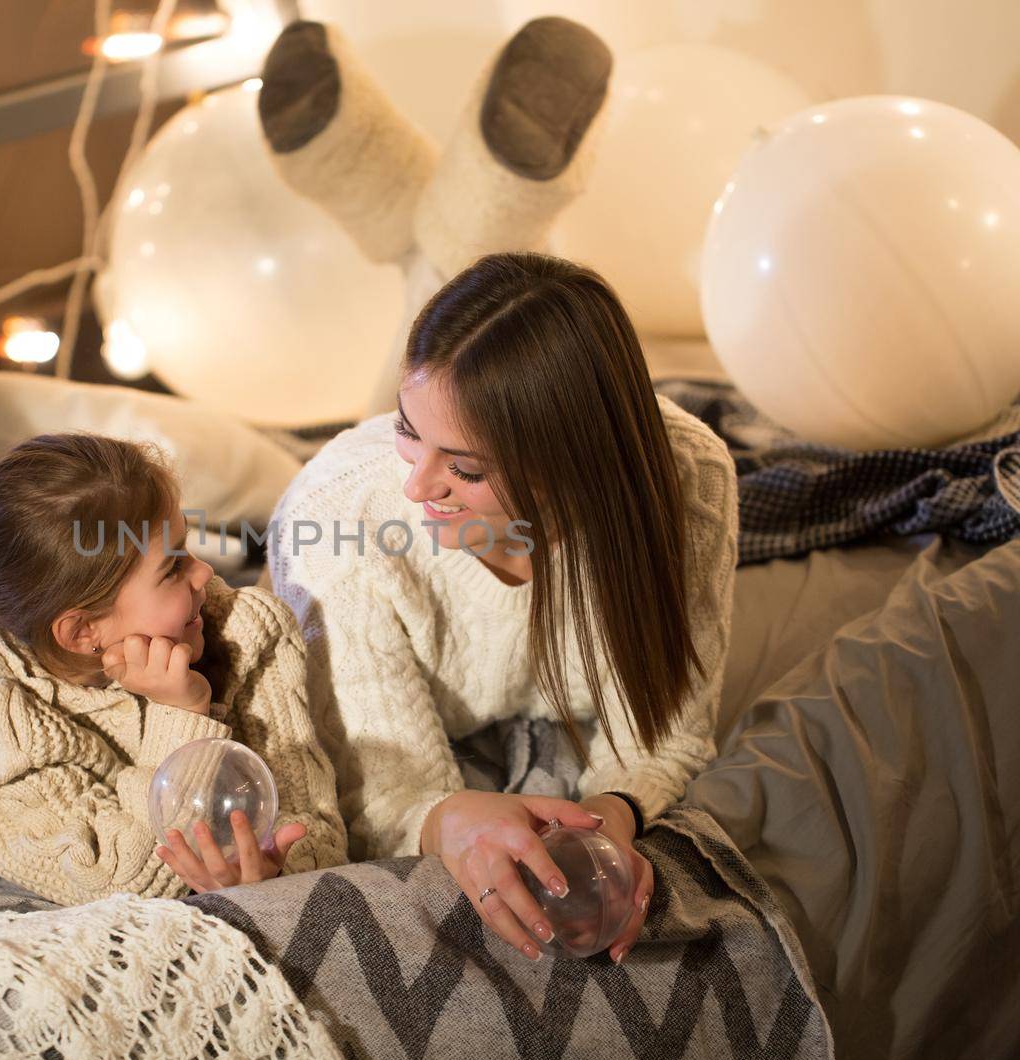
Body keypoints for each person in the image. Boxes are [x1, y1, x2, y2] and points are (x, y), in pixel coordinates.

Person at [270, 251, 739, 962]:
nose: (420, 485)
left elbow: (665, 727)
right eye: (406, 428)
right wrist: (450, 820)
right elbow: (385, 787)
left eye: (465, 467)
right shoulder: (338, 523)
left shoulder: (688, 478)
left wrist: (610, 815)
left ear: (569, 466)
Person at [0, 433, 346, 905]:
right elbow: (111, 879)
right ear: (84, 631)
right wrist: (183, 715)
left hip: (35, 622)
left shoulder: (249, 631)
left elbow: (317, 826)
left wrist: (270, 869)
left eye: (186, 545)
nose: (204, 573)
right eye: (172, 567)